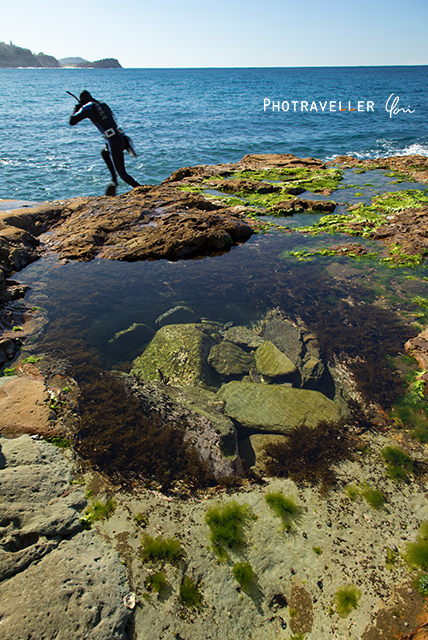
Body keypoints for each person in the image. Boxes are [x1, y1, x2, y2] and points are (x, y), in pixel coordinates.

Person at [69, 90, 140, 196]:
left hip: (113, 140)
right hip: (122, 137)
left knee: (122, 173)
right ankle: (114, 180)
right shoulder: (102, 103)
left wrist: (77, 109)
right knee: (104, 152)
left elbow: (72, 121)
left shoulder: (88, 107)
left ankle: (140, 189)